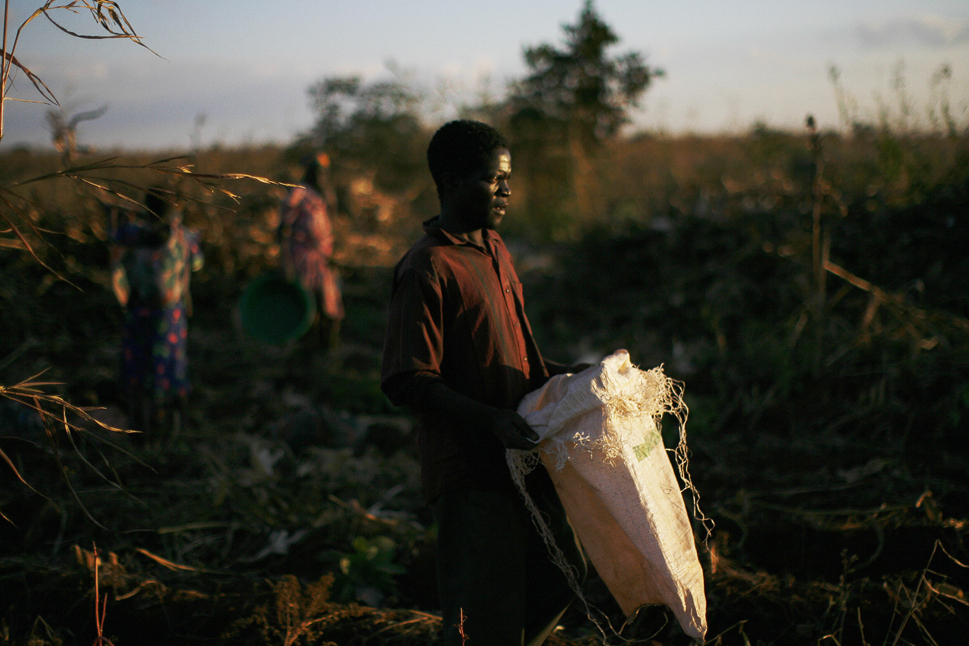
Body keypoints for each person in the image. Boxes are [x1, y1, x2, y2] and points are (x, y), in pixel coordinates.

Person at [381, 120, 589, 646]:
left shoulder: (495, 251)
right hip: (473, 471)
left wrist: (584, 383)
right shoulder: (428, 267)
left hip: (524, 458)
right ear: (450, 181)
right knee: (485, 616)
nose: (506, 190)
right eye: (492, 179)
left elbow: (522, 357)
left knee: (566, 571)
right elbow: (406, 378)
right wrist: (490, 421)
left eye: (507, 179)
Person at [109, 187, 203, 439]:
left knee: (139, 365)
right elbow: (197, 263)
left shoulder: (133, 234)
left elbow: (114, 245)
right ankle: (171, 425)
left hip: (139, 310)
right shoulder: (182, 236)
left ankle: (143, 426)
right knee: (169, 364)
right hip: (168, 313)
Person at [277, 153, 344, 350]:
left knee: (330, 302)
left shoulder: (323, 193)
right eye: (316, 171)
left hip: (323, 256)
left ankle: (327, 347)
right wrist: (285, 261)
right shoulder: (299, 193)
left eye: (323, 172)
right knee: (308, 301)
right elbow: (283, 228)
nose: (321, 176)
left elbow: (331, 225)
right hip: (303, 256)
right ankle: (306, 348)